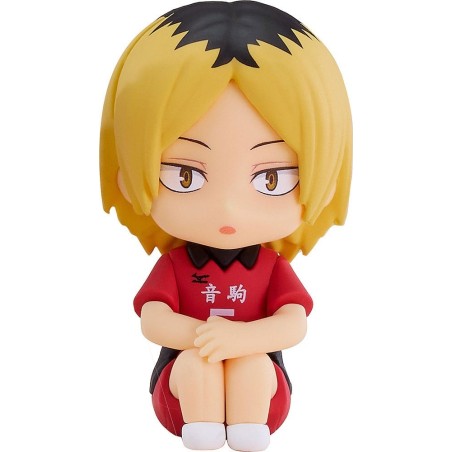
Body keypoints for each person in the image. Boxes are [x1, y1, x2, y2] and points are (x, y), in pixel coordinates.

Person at [100, 2, 352, 450]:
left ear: (325, 180)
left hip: (263, 391)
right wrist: (205, 341)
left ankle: (248, 430)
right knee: (195, 365)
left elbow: (294, 324)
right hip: (181, 391)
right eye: (184, 176)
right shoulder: (176, 265)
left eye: (271, 179)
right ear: (128, 173)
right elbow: (152, 320)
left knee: (253, 364)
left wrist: (240, 339)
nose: (229, 208)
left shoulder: (271, 267)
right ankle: (202, 430)